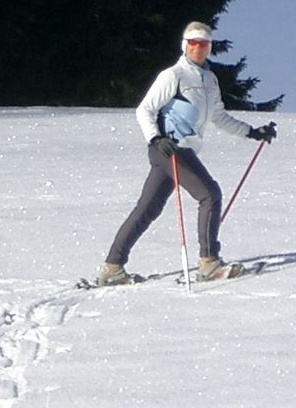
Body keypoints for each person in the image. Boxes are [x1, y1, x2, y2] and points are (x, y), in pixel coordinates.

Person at [97, 22, 276, 285]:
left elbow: (219, 117)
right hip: (170, 148)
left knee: (148, 208)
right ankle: (209, 262)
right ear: (185, 45)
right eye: (193, 42)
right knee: (210, 194)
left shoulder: (210, 80)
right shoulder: (174, 75)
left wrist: (252, 132)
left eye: (204, 43)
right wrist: (156, 139)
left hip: (181, 150)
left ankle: (113, 267)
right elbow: (144, 110)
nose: (198, 48)